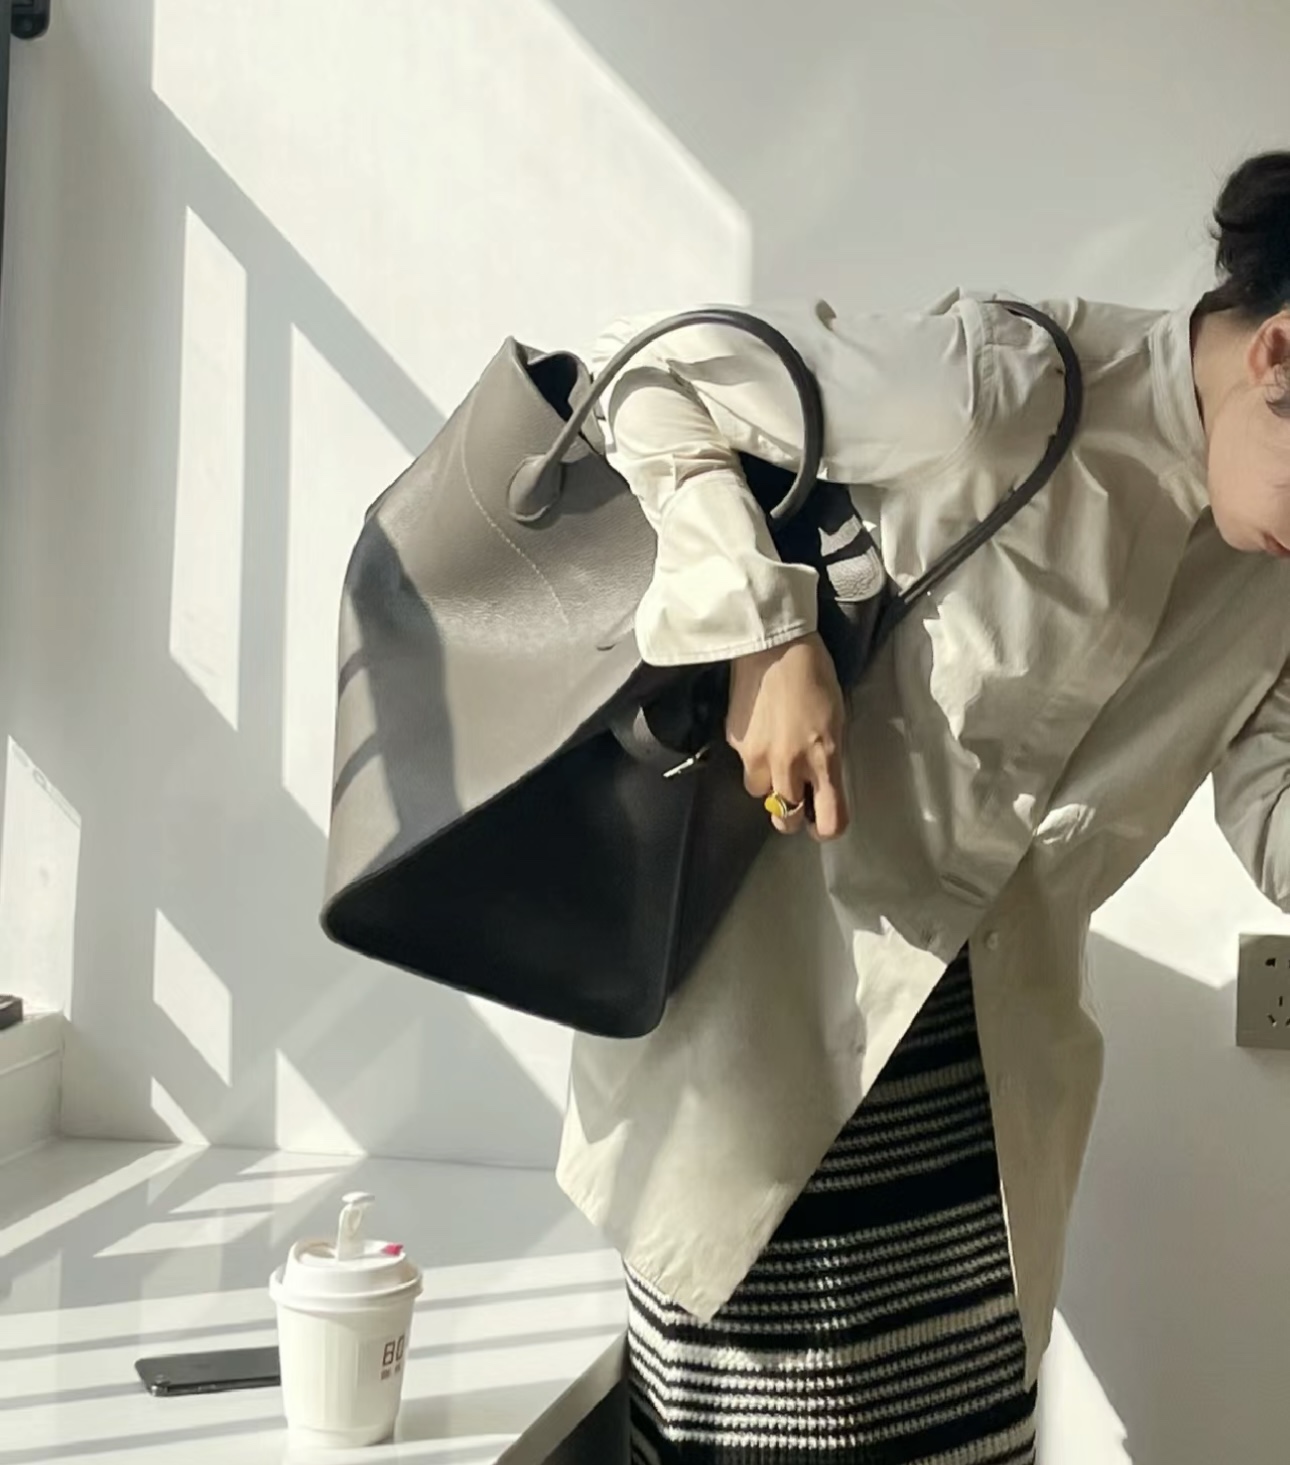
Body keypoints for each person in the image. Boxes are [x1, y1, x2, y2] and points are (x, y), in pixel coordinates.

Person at [554, 150, 1290, 1464]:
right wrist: (762, 635)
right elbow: (644, 376)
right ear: (1280, 357)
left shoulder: (1268, 573)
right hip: (770, 1070)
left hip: (982, 1130)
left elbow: (1271, 800)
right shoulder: (1003, 392)